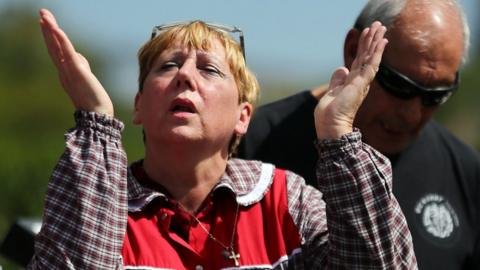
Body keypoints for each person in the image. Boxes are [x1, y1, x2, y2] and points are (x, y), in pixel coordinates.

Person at [28, 8, 417, 270]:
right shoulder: (103, 206)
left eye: (209, 70)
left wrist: (338, 135)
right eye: (168, 66)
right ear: (139, 107)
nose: (184, 76)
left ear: (242, 117)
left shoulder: (286, 199)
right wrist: (96, 123)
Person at [238, 0, 480, 269]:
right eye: (398, 84)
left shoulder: (466, 172)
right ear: (354, 51)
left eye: (436, 95)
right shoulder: (252, 146)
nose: (411, 114)